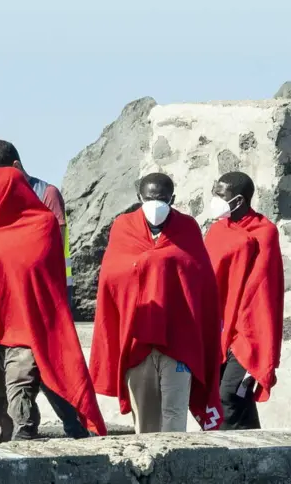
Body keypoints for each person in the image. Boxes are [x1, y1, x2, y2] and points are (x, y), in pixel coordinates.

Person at [0, 155, 105, 443]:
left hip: (26, 326)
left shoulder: (42, 224)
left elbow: (40, 270)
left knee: (21, 392)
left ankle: (30, 445)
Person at [90, 173, 223, 433]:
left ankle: (177, 473)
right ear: (139, 198)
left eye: (162, 199)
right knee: (146, 423)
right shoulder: (123, 226)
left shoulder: (188, 228)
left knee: (175, 419)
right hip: (137, 340)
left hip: (179, 343)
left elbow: (202, 282)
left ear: (172, 199)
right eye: (150, 199)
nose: (155, 204)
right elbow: (111, 279)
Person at [0, 140, 87, 440]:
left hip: (43, 297)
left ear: (14, 168)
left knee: (50, 371)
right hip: (2, 307)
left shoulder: (45, 195)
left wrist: (61, 299)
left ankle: (77, 431)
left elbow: (55, 248)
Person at [204, 171, 282, 429]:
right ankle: (261, 456)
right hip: (219, 329)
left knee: (230, 395)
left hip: (248, 332)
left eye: (220, 194)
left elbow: (261, 289)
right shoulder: (216, 231)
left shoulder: (265, 232)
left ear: (237, 200)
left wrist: (250, 333)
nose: (215, 199)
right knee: (222, 396)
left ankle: (228, 459)